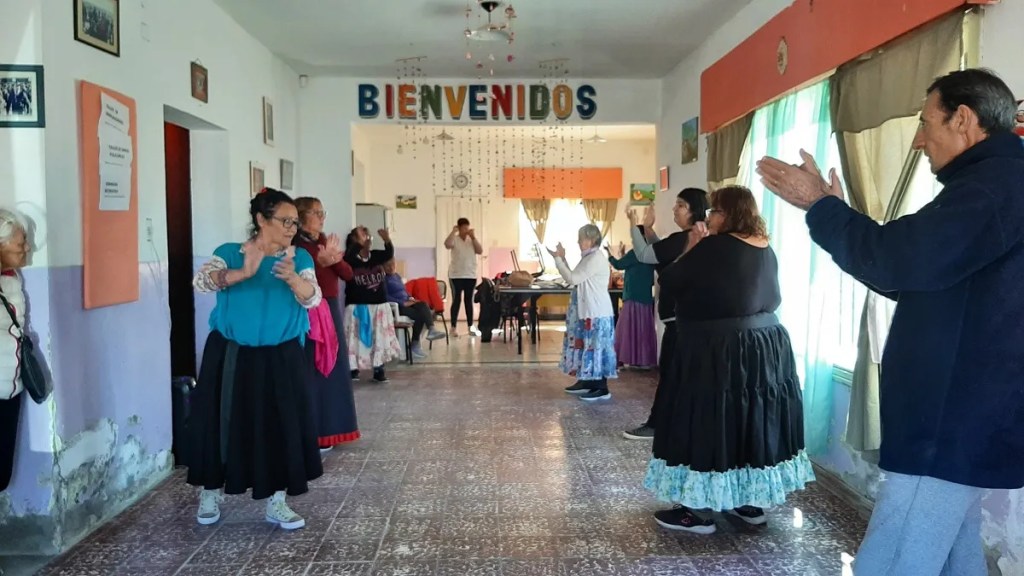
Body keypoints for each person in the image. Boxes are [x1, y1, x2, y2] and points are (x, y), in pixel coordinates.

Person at [758, 68, 1024, 576]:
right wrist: (833, 213)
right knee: (954, 550)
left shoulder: (992, 188)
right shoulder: (996, 183)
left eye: (926, 123)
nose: (919, 140)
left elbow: (898, 260)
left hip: (951, 416)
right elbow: (912, 276)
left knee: (897, 555)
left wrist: (821, 206)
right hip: (969, 412)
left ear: (963, 119)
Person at [644, 186, 813, 534]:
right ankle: (748, 503)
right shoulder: (765, 247)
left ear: (729, 214)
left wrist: (692, 246)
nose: (710, 219)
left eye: (715, 212)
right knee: (748, 420)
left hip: (718, 348)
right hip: (764, 348)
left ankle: (696, 511)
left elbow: (671, 281)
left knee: (707, 420)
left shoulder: (714, 247)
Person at [189, 188, 323, 530]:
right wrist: (243, 273)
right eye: (285, 221)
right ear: (262, 219)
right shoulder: (230, 253)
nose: (292, 228)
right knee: (221, 422)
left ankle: (276, 500)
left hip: (281, 354)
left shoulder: (299, 259)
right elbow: (202, 282)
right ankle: (211, 491)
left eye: (295, 222)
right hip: (232, 352)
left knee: (280, 425)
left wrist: (293, 279)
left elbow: (312, 298)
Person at [621, 188, 709, 440]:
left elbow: (645, 255)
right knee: (679, 376)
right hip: (689, 319)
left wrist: (635, 226)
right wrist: (648, 230)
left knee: (670, 375)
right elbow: (662, 254)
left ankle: (657, 425)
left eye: (680, 205)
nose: (674, 209)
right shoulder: (689, 238)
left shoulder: (686, 237)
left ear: (694, 210)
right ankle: (679, 424)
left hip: (680, 320)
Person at [292, 197, 361, 453]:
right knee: (315, 367)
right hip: (309, 311)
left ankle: (332, 428)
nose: (322, 218)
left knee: (334, 367)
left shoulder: (322, 242)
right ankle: (316, 431)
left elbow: (348, 274)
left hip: (330, 308)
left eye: (323, 212)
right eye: (316, 213)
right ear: (301, 217)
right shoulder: (296, 247)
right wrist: (321, 262)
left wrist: (334, 261)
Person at [553, 224, 617, 401]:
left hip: (597, 313)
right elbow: (575, 275)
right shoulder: (588, 257)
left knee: (597, 348)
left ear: (592, 240)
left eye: (581, 239)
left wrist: (558, 260)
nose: (578, 242)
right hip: (589, 313)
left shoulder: (595, 258)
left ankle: (601, 388)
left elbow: (573, 278)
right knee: (587, 347)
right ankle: (587, 381)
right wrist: (563, 259)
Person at [344, 226, 401, 383]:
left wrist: (387, 239)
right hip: (357, 306)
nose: (367, 236)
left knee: (379, 339)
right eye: (362, 234)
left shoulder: (375, 255)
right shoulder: (350, 257)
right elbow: (349, 258)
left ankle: (378, 370)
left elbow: (389, 253)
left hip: (378, 306)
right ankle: (353, 369)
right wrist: (360, 245)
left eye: (367, 234)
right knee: (354, 339)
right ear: (354, 240)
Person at [0, 209, 30, 492]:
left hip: (10, 387)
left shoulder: (12, 278)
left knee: (1, 474)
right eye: (20, 244)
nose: (26, 248)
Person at [607, 241, 656, 369]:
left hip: (632, 296)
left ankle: (622, 359)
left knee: (626, 329)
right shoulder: (650, 253)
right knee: (643, 329)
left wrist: (610, 255)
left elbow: (618, 264)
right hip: (645, 296)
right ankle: (643, 360)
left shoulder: (635, 253)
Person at [383, 259, 446, 359]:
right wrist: (403, 303)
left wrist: (411, 298)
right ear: (382, 267)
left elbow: (404, 291)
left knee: (423, 304)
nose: (391, 268)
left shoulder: (397, 276)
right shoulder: (383, 279)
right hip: (397, 307)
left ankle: (431, 329)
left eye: (392, 264)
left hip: (407, 302)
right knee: (419, 316)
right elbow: (384, 296)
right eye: (388, 265)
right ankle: (414, 345)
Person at [443, 217, 483, 337]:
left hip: (470, 275)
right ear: (459, 228)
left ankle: (471, 327)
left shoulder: (472, 240)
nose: (466, 230)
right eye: (464, 228)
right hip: (456, 275)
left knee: (468, 301)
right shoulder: (454, 239)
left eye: (467, 228)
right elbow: (447, 245)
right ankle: (453, 327)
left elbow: (480, 251)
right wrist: (453, 232)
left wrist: (473, 237)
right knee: (456, 300)